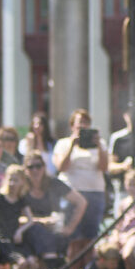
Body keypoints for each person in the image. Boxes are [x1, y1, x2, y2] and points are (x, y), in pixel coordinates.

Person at [52, 108, 109, 260]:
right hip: (73, 194)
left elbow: (104, 167)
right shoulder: (63, 143)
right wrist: (72, 146)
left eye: (86, 123)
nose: (83, 126)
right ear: (72, 126)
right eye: (79, 123)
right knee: (73, 239)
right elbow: (61, 167)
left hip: (95, 193)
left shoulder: (100, 144)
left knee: (90, 238)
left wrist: (98, 145)